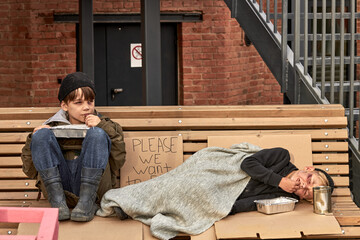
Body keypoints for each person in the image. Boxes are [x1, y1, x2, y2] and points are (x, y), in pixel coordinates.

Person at [21, 72, 126, 222]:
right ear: (64, 105)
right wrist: (34, 140)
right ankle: (58, 205)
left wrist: (102, 127)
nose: (86, 108)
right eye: (78, 103)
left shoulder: (106, 126)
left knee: (97, 134)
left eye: (90, 102)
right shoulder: (50, 127)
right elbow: (30, 171)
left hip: (93, 193)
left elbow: (118, 162)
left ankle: (85, 204)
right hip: (59, 192)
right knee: (41, 135)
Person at [228, 147, 334, 214]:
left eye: (306, 192)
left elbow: (255, 202)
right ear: (308, 169)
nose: (304, 185)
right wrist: (280, 181)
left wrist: (229, 208)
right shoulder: (282, 157)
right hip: (228, 172)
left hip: (227, 195)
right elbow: (247, 163)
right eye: (309, 180)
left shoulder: (286, 199)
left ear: (302, 197)